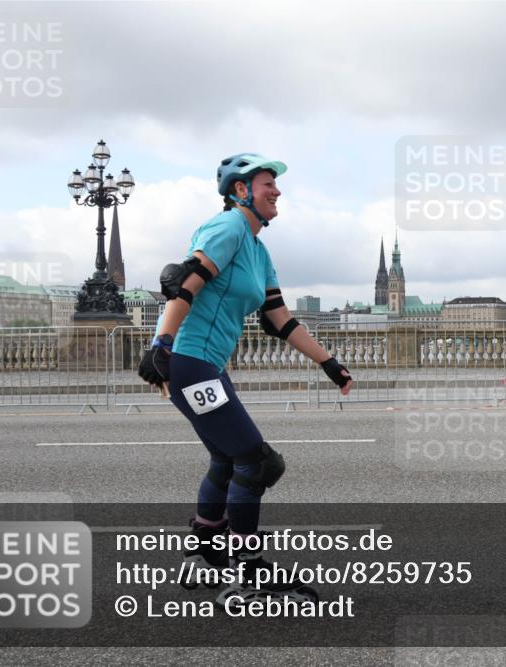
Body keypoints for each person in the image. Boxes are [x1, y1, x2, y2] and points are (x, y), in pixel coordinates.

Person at [138, 153, 352, 606]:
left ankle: (206, 554)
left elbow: (279, 320)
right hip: (190, 361)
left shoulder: (258, 250)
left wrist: (328, 362)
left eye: (276, 184)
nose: (276, 191)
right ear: (240, 191)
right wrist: (161, 345)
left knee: (228, 459)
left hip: (208, 366)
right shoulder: (230, 227)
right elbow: (183, 283)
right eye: (267, 183)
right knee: (257, 463)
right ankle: (247, 571)